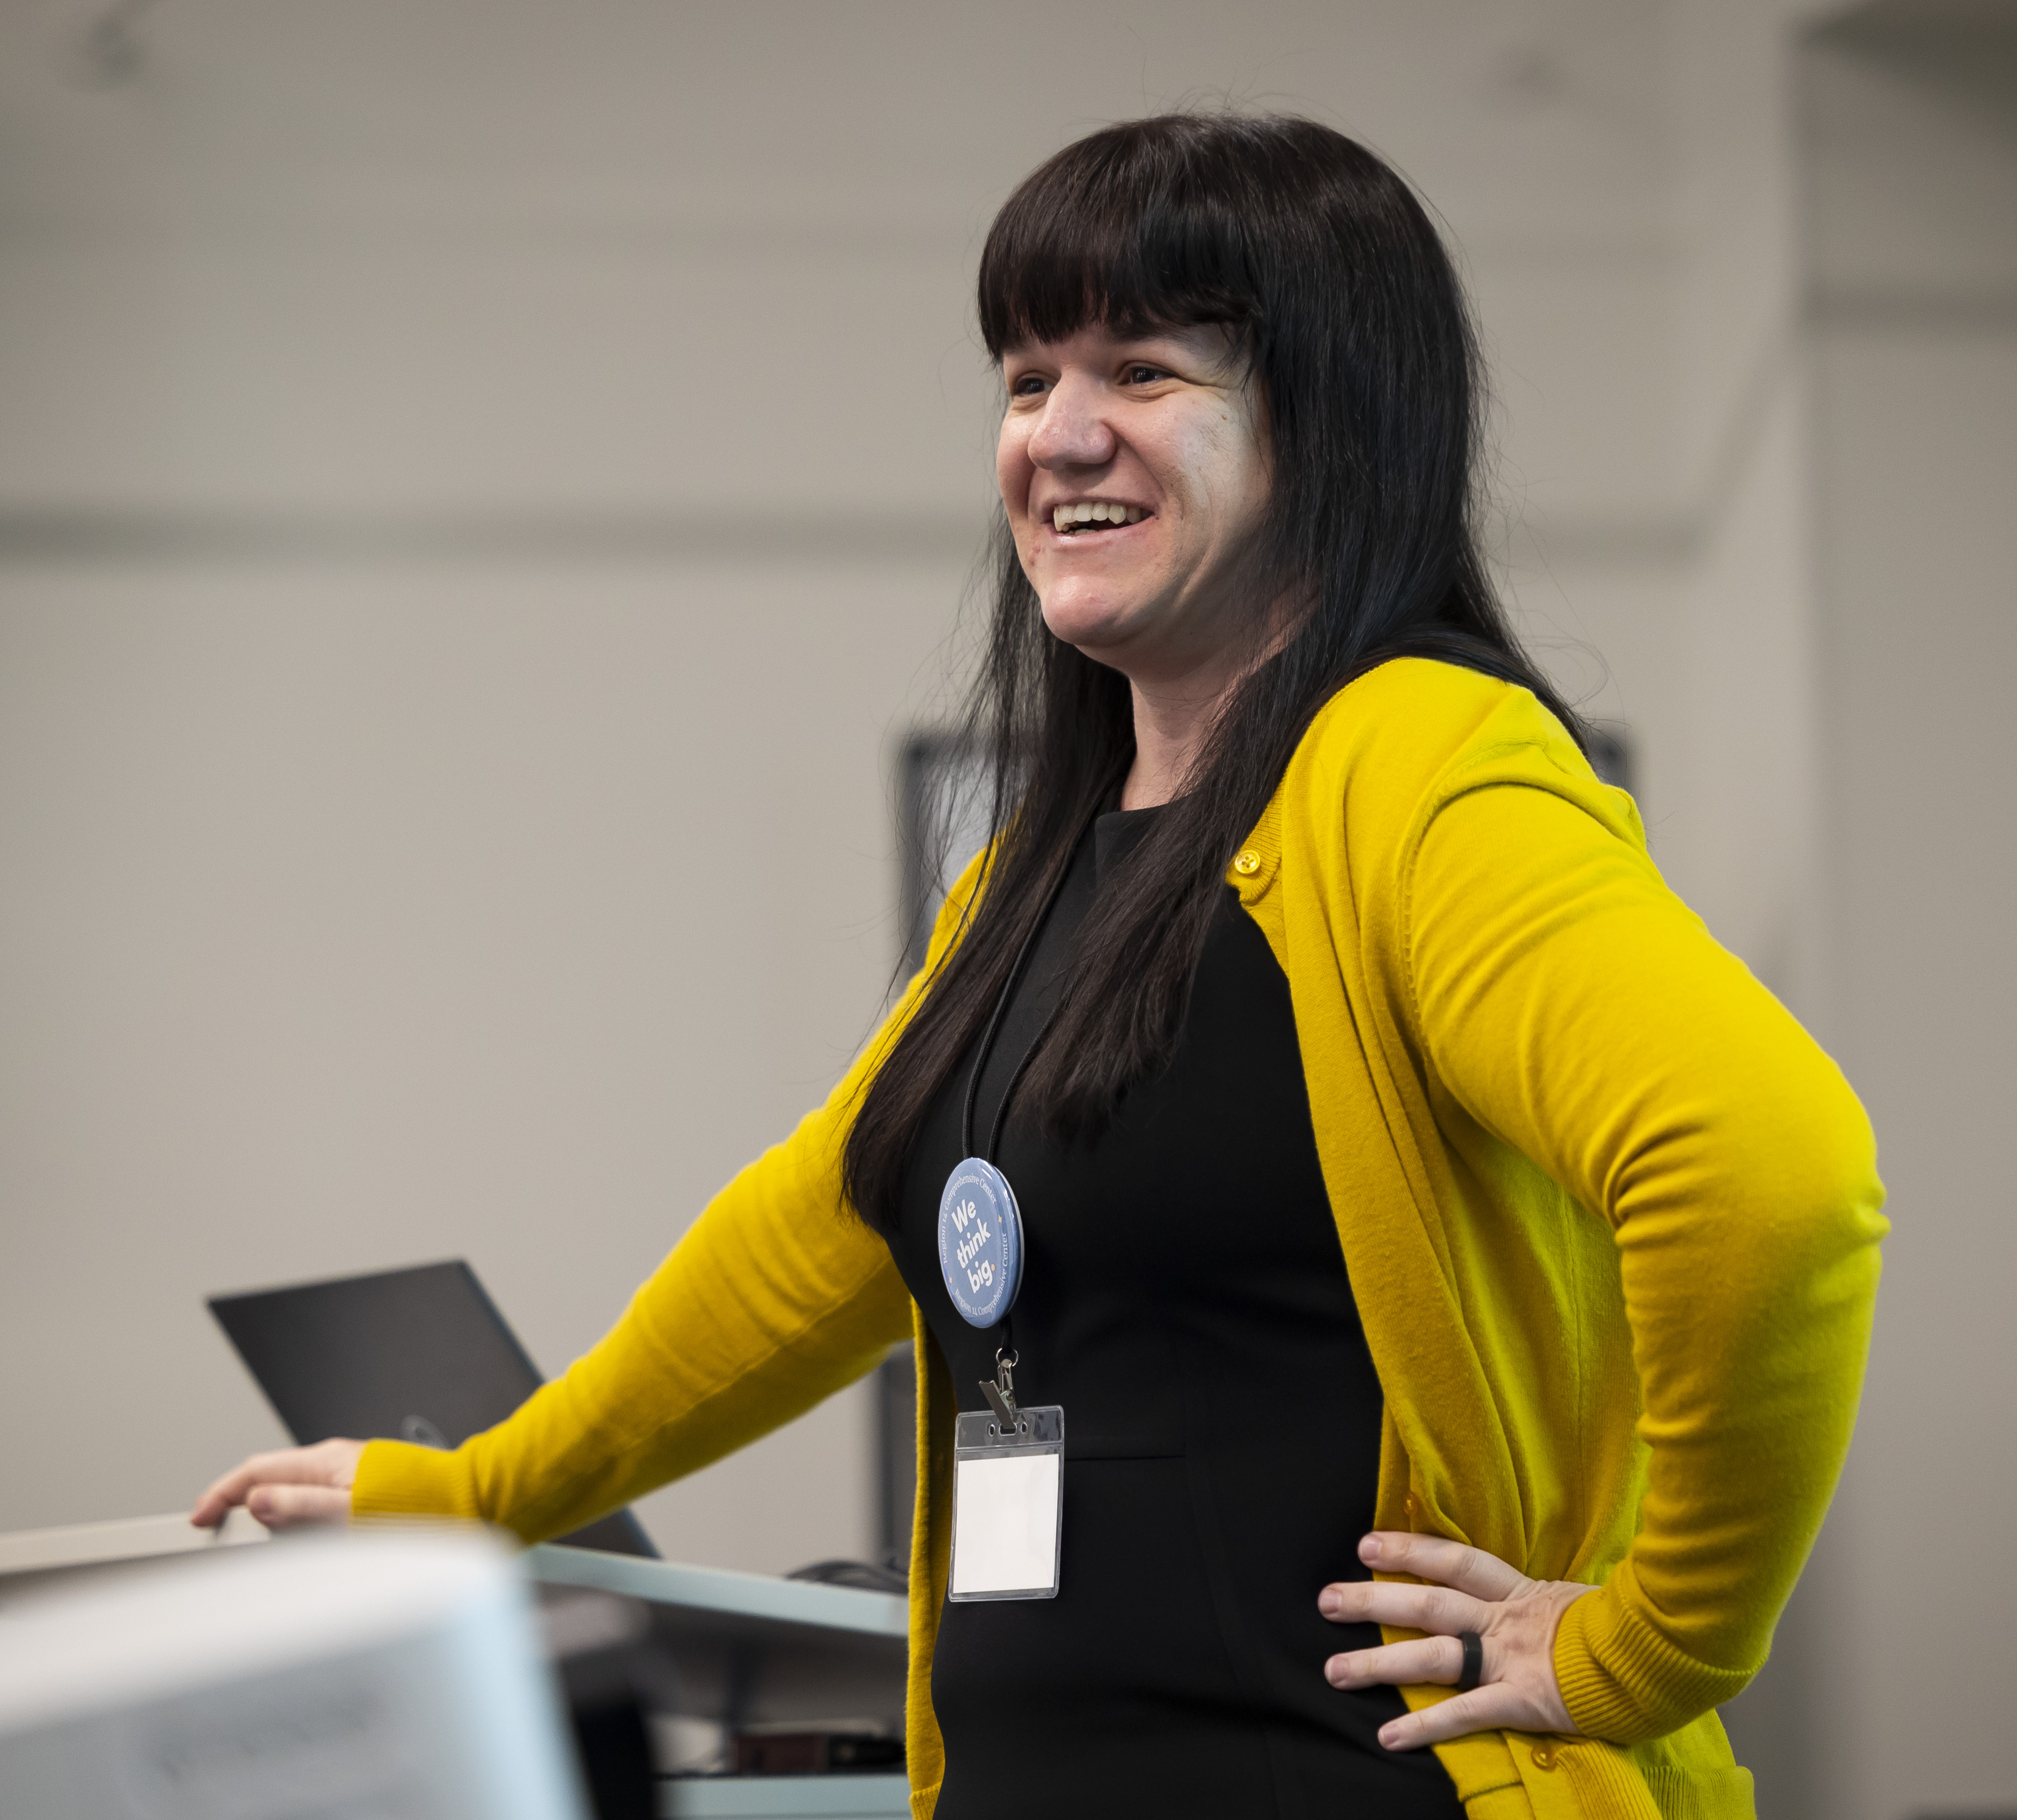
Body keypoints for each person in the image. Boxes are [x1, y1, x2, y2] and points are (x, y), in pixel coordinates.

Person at [194, 113, 1886, 1820]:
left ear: (1335, 422)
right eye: (1023, 376)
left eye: (1144, 369)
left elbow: (1766, 1170)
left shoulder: (1419, 767)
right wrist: (473, 1490)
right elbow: (820, 1230)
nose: (1059, 434)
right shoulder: (1030, 874)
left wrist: (1657, 1643)